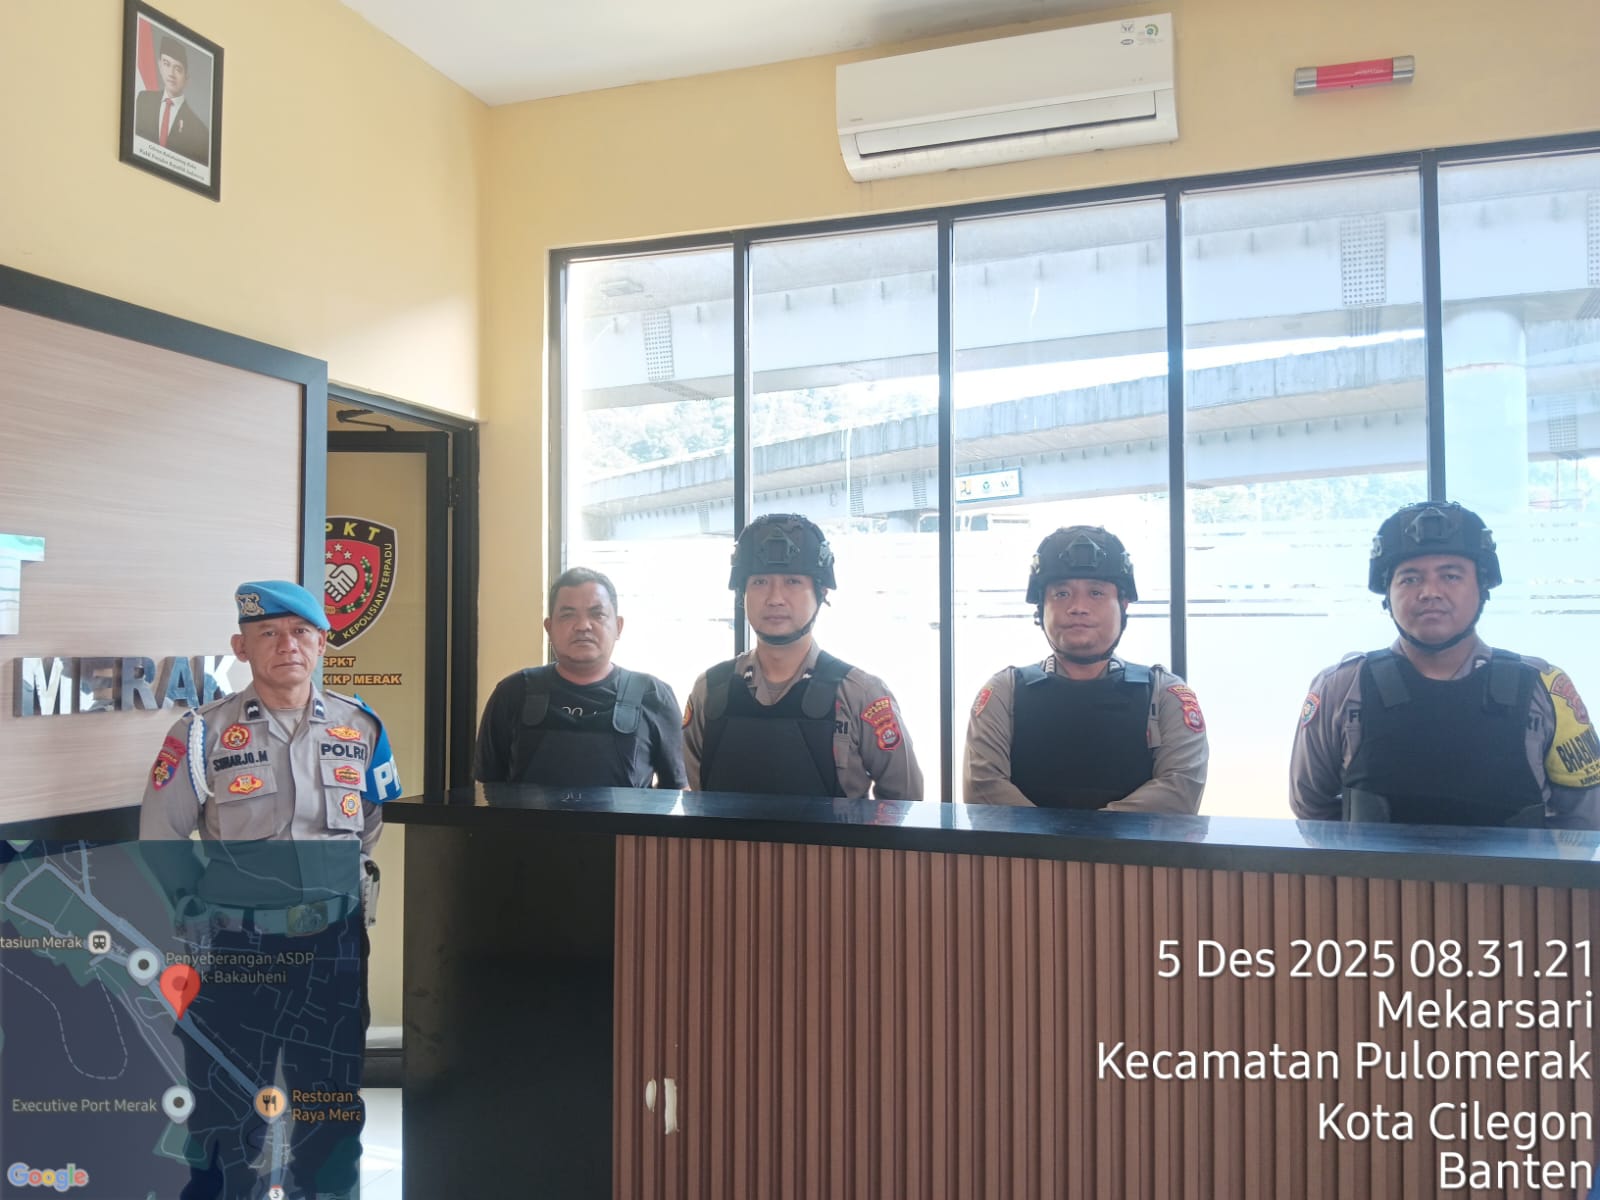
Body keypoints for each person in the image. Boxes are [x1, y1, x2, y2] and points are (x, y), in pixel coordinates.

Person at [140, 580, 401, 1200]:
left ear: (322, 643)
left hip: (334, 947)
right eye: (269, 633)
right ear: (242, 647)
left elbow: (368, 827)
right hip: (239, 946)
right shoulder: (201, 733)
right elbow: (161, 835)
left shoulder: (361, 726)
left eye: (301, 632)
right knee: (226, 1111)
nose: (288, 645)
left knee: (331, 1106)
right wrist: (201, 909)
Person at [1290, 501, 1600, 828]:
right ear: (1387, 595)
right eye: (1410, 579)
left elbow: (1587, 821)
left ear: (1482, 588)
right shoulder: (1340, 688)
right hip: (1373, 867)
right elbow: (1312, 811)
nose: (1430, 592)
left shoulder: (1544, 689)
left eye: (1451, 576)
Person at [964, 525, 1208, 812]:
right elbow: (983, 788)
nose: (1078, 607)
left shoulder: (1164, 693)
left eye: (1096, 592)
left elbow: (1180, 790)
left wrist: (1083, 834)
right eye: (1061, 594)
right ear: (1041, 608)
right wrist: (1055, 838)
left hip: (1128, 847)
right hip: (1019, 845)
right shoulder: (1005, 692)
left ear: (1123, 605)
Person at [682, 514, 923, 800]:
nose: (775, 598)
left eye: (793, 581)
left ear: (821, 592)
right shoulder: (710, 691)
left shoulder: (860, 695)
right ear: (742, 593)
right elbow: (697, 794)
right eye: (759, 582)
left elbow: (904, 802)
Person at [474, 567, 687, 788]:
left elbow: (676, 793)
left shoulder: (653, 695)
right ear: (549, 628)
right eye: (568, 615)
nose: (583, 626)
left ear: (618, 626)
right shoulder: (513, 692)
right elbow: (487, 789)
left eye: (597, 614)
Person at [134, 35, 210, 165]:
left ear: (186, 79)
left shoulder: (199, 131)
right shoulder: (143, 100)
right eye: (166, 64)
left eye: (178, 69)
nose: (171, 73)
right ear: (159, 65)